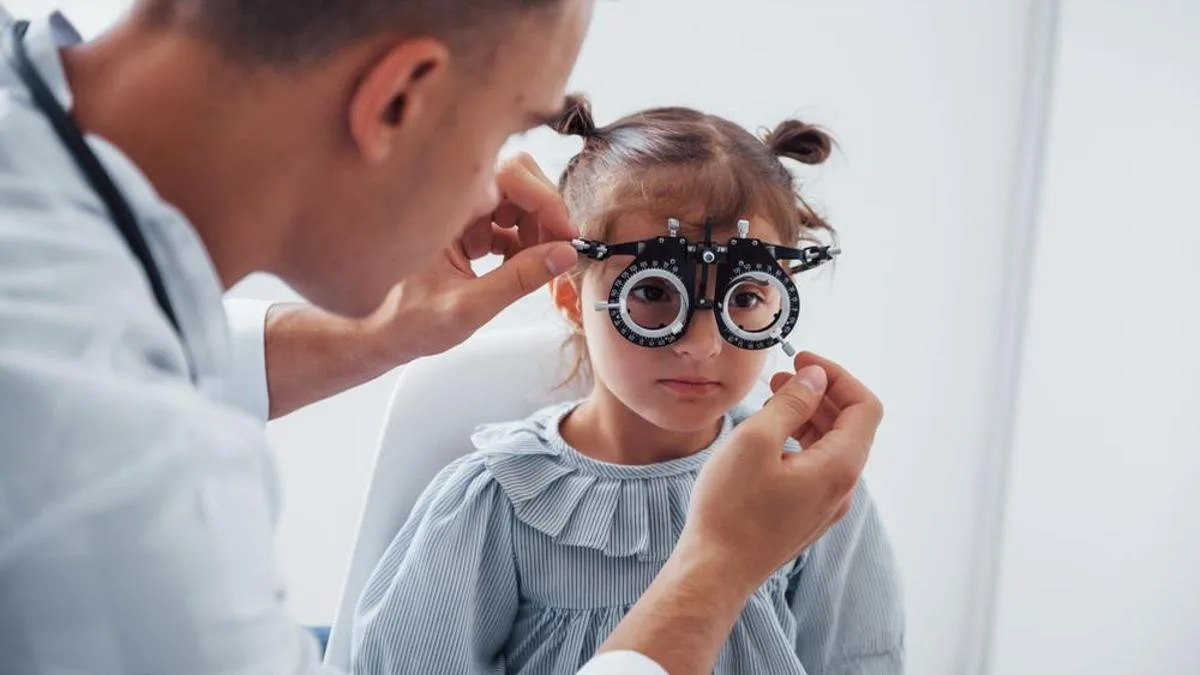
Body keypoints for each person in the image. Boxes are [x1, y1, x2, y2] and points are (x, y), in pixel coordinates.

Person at [0, 2, 884, 674]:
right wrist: (717, 571)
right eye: (502, 131)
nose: (499, 199)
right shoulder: (115, 470)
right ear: (398, 100)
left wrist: (374, 335)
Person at [350, 97, 904, 675]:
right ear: (570, 295)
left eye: (744, 298)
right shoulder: (498, 501)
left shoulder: (809, 482)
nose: (702, 342)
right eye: (656, 292)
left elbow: (860, 658)